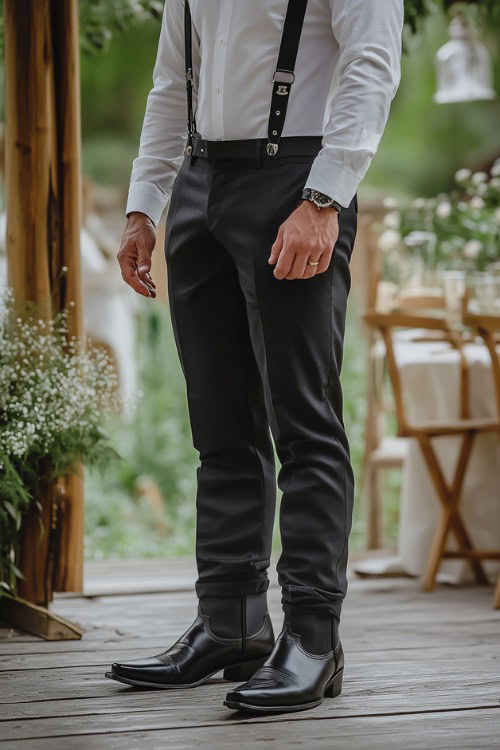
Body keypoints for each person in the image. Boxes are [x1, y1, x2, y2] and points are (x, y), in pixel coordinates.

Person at [108, 0, 403, 714]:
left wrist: (326, 196)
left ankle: (311, 638)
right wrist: (145, 203)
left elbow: (372, 61)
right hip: (201, 186)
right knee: (220, 425)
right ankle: (231, 621)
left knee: (304, 421)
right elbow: (170, 80)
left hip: (296, 181)